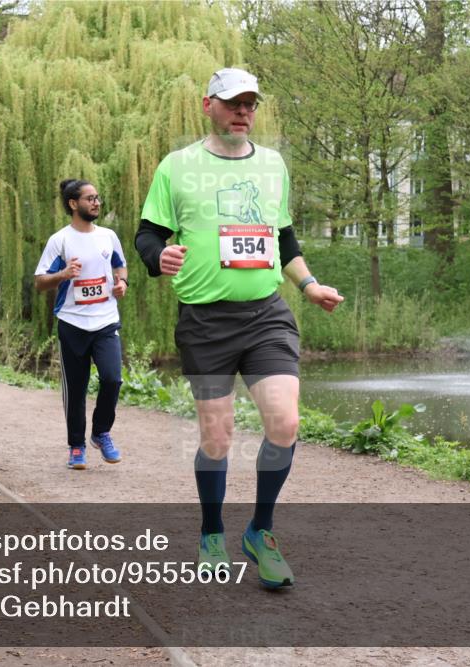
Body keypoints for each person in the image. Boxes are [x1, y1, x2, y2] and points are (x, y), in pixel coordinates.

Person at [134, 68, 343, 588]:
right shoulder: (177, 167)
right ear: (208, 105)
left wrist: (309, 284)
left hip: (266, 314)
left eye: (251, 103)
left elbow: (284, 237)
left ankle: (261, 531)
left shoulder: (273, 166)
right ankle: (211, 533)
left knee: (285, 423)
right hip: (205, 321)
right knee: (217, 436)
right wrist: (159, 256)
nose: (243, 111)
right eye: (233, 103)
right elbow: (147, 233)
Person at [35, 179, 128, 470]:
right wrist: (63, 274)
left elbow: (119, 264)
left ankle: (101, 433)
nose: (96, 202)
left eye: (98, 197)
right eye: (90, 198)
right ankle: (76, 446)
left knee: (112, 378)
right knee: (76, 389)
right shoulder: (59, 240)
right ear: (73, 204)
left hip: (105, 321)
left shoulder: (108, 236)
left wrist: (122, 281)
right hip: (73, 323)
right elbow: (39, 282)